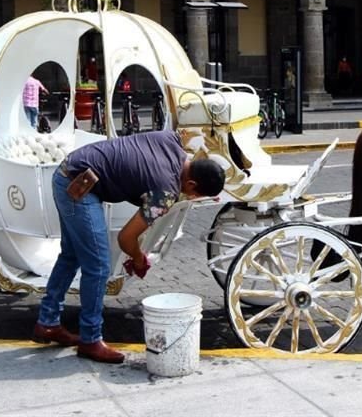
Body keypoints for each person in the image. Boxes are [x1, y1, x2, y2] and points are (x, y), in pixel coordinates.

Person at [32, 130, 226, 364]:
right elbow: (126, 238)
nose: (190, 197)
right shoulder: (165, 192)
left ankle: (48, 322)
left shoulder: (171, 141)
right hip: (79, 187)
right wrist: (137, 257)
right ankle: (90, 339)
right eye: (194, 194)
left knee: (71, 255)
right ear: (192, 183)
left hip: (70, 171)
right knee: (98, 266)